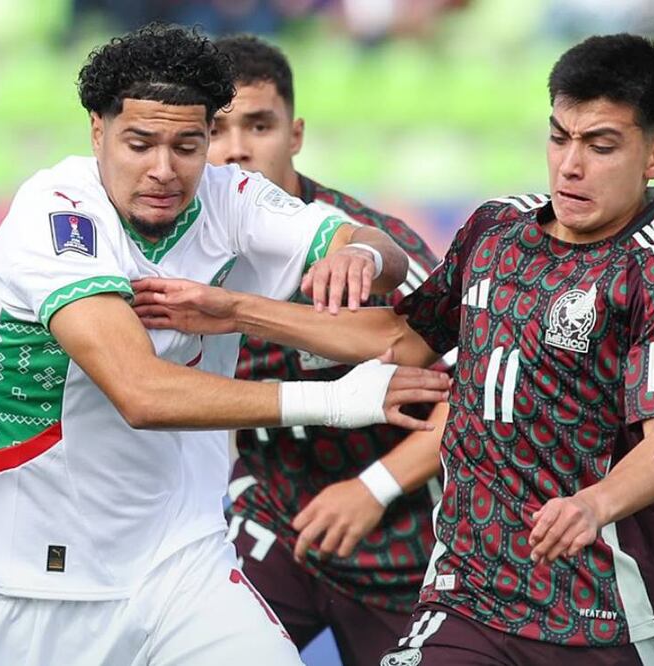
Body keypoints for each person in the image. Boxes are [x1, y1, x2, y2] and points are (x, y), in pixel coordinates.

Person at [132, 33, 654, 666]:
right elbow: (399, 339)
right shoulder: (496, 230)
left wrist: (590, 505)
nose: (571, 165)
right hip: (465, 595)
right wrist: (234, 311)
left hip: (594, 606)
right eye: (558, 138)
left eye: (601, 146)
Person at [0, 23, 450, 666]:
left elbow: (376, 250)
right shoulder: (56, 217)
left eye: (187, 144)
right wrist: (339, 401)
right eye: (140, 143)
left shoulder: (227, 195)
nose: (164, 169)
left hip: (182, 552)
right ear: (98, 131)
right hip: (41, 566)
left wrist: (363, 257)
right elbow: (142, 393)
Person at [202, 34, 449, 666]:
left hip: (398, 544)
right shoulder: (185, 251)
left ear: (296, 133)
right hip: (272, 522)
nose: (236, 150)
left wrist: (373, 487)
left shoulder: (372, 248)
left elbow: (478, 391)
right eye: (217, 129)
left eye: (258, 124)